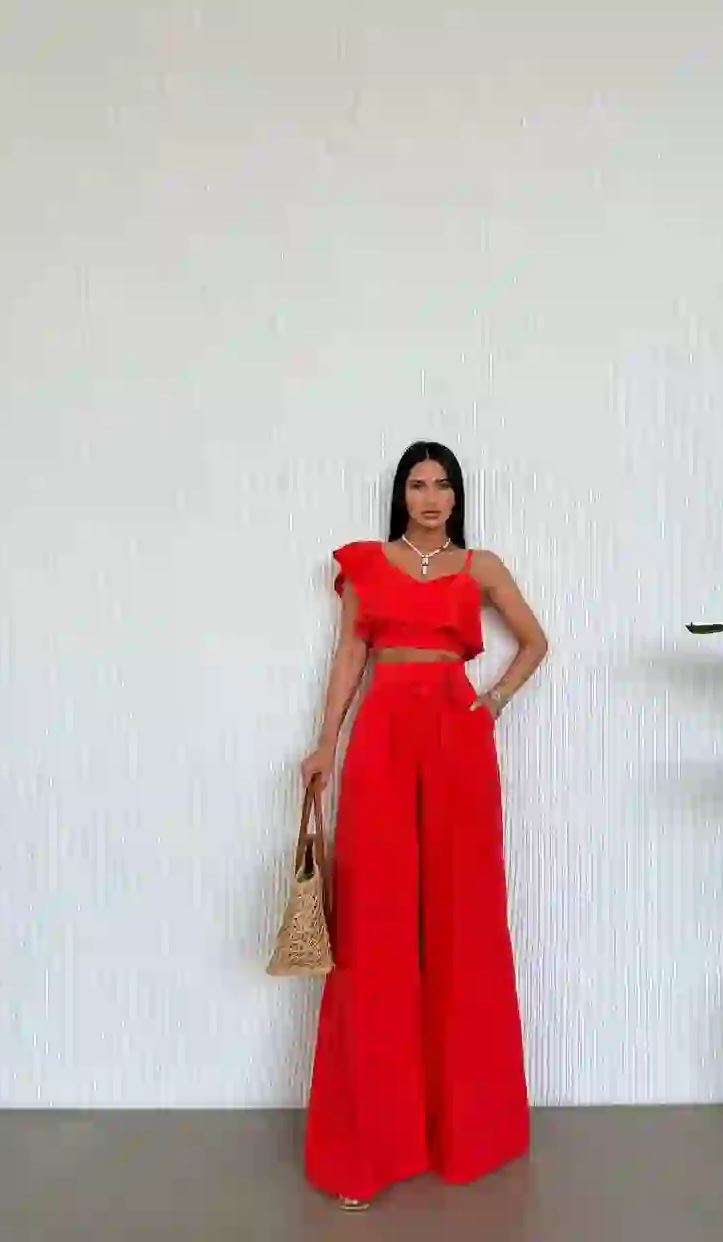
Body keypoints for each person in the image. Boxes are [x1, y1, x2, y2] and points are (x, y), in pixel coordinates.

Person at [300, 440, 548, 1211]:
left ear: (456, 495)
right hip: (380, 738)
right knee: (373, 927)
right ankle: (371, 1142)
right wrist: (324, 744)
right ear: (401, 494)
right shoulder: (365, 565)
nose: (431, 496)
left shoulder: (480, 567)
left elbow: (535, 641)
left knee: (459, 922)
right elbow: (349, 655)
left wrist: (491, 702)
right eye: (417, 484)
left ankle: (465, 1132)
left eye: (442, 484)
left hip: (455, 738)